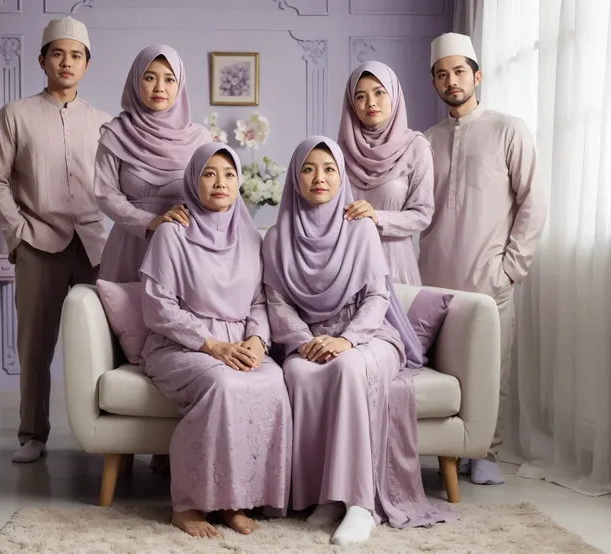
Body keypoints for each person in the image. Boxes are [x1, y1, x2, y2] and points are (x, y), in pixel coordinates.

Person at [263, 136, 453, 547]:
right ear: (295, 177)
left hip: (368, 334)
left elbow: (377, 297)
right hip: (310, 339)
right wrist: (301, 340)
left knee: (348, 369)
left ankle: (360, 504)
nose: (319, 178)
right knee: (297, 373)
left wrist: (347, 340)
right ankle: (325, 497)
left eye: (329, 169)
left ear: (341, 176)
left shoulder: (359, 226)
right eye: (309, 169)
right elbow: (276, 301)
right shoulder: (277, 237)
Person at [140, 142, 292, 538]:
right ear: (194, 181)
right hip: (181, 345)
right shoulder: (173, 233)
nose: (220, 182)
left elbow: (259, 300)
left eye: (228, 174)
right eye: (209, 173)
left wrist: (258, 341)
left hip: (240, 343)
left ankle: (236, 502)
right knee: (222, 383)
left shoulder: (251, 237)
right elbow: (158, 308)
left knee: (273, 380)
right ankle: (189, 504)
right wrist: (213, 345)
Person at [0, 17, 111, 463]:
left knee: (114, 340)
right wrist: (18, 233)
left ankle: (114, 438)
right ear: (42, 60)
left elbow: (119, 186)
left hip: (95, 245)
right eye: (58, 53)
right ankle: (33, 435)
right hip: (38, 242)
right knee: (36, 345)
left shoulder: (104, 123)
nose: (67, 62)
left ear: (87, 65)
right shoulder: (15, 115)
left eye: (76, 55)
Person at [419, 32, 547, 485]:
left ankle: (486, 451)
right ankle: (449, 449)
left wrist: (511, 268)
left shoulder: (508, 129)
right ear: (434, 82)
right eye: (441, 74)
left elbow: (533, 201)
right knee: (441, 367)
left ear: (476, 75)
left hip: (488, 275)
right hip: (433, 279)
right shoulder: (426, 141)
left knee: (493, 367)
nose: (451, 81)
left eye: (458, 72)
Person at [95, 44, 211, 282]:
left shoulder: (201, 138)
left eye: (169, 79)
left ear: (180, 86)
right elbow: (106, 194)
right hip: (130, 244)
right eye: (150, 77)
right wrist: (149, 221)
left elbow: (210, 194)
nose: (160, 87)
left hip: (183, 244)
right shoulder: (116, 133)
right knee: (124, 314)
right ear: (136, 81)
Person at [338, 61, 434, 284]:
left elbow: (422, 214)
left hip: (396, 266)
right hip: (348, 265)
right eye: (360, 96)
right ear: (352, 103)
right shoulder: (339, 153)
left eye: (379, 92)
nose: (371, 103)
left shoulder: (416, 148)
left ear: (394, 94)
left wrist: (377, 217)